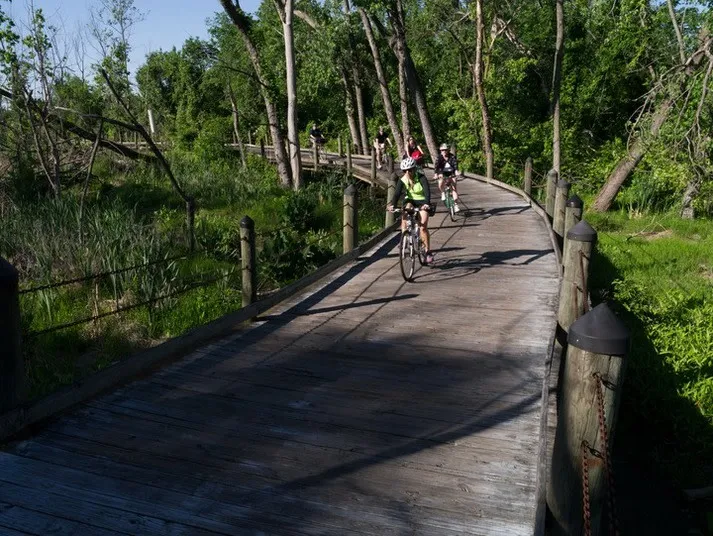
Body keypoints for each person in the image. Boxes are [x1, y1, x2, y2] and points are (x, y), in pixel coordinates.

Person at [387, 156, 434, 264]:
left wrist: (427, 203)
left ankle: (427, 251)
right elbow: (397, 193)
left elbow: (427, 191)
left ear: (414, 169)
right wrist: (392, 205)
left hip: (422, 200)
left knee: (423, 226)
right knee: (405, 211)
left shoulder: (421, 177)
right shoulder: (403, 179)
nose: (408, 172)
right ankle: (405, 238)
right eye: (405, 170)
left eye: (410, 170)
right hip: (411, 200)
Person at [434, 143, 460, 213]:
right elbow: (437, 166)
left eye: (445, 150)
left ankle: (456, 204)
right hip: (442, 173)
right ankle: (443, 192)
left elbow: (455, 165)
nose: (444, 152)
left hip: (451, 172)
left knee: (454, 188)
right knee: (440, 183)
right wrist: (436, 174)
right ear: (440, 151)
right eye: (442, 150)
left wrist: (456, 171)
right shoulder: (439, 157)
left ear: (448, 150)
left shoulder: (452, 157)